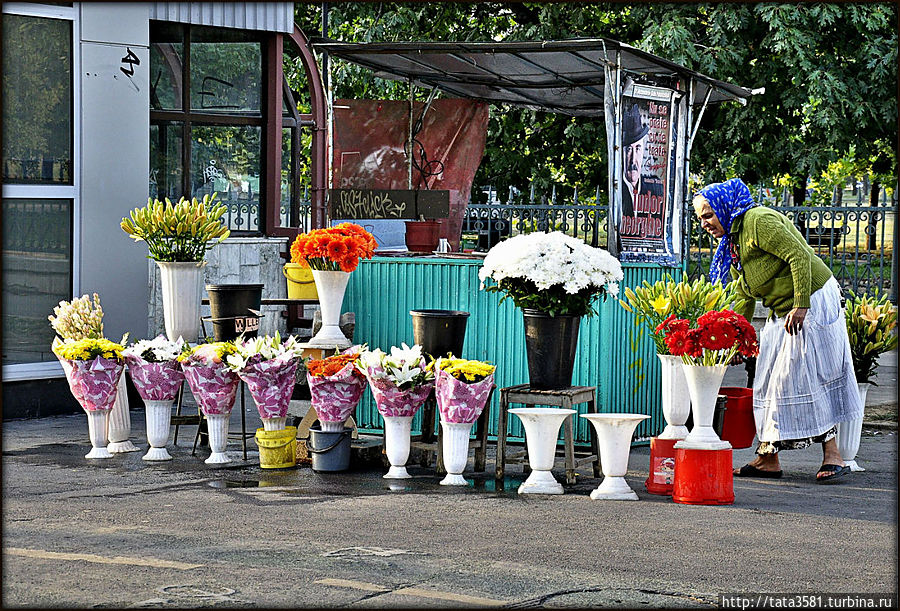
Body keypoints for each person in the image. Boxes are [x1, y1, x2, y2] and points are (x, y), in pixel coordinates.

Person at [693, 178, 862, 484]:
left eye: (708, 215)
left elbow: (799, 255)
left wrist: (801, 305)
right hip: (784, 308)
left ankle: (833, 454)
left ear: (723, 207)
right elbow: (744, 294)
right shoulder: (733, 242)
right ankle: (768, 457)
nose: (704, 223)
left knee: (805, 376)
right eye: (700, 218)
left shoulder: (759, 221)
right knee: (766, 379)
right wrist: (736, 344)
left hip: (812, 298)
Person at [621, 103, 664, 218]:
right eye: (629, 149)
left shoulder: (656, 188)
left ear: (644, 150)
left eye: (638, 148)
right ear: (621, 152)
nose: (633, 160)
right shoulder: (617, 188)